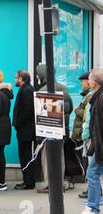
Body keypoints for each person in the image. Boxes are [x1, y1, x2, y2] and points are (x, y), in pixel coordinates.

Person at [36, 64, 74, 193]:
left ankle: (50, 184)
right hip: (62, 130)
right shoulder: (64, 88)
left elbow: (41, 114)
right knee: (60, 156)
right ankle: (59, 183)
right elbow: (69, 108)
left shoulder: (42, 91)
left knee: (47, 158)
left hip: (49, 130)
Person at [74, 69, 103, 214]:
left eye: (89, 80)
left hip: (100, 146)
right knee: (94, 174)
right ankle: (94, 207)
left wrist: (97, 147)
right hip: (99, 145)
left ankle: (93, 208)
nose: (87, 82)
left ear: (93, 82)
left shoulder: (99, 98)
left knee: (92, 174)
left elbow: (98, 126)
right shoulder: (97, 97)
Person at [12, 70, 36, 190]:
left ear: (21, 78)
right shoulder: (26, 89)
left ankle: (29, 181)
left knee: (25, 155)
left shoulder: (27, 90)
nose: (15, 79)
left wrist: (18, 123)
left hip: (25, 129)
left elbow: (28, 110)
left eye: (16, 77)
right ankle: (27, 180)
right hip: (24, 128)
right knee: (25, 154)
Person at [71, 72, 92, 199]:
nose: (81, 84)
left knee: (89, 165)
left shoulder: (90, 96)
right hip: (82, 133)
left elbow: (84, 113)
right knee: (87, 164)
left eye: (82, 81)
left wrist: (77, 109)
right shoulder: (87, 96)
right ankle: (91, 189)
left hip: (85, 134)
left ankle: (92, 190)